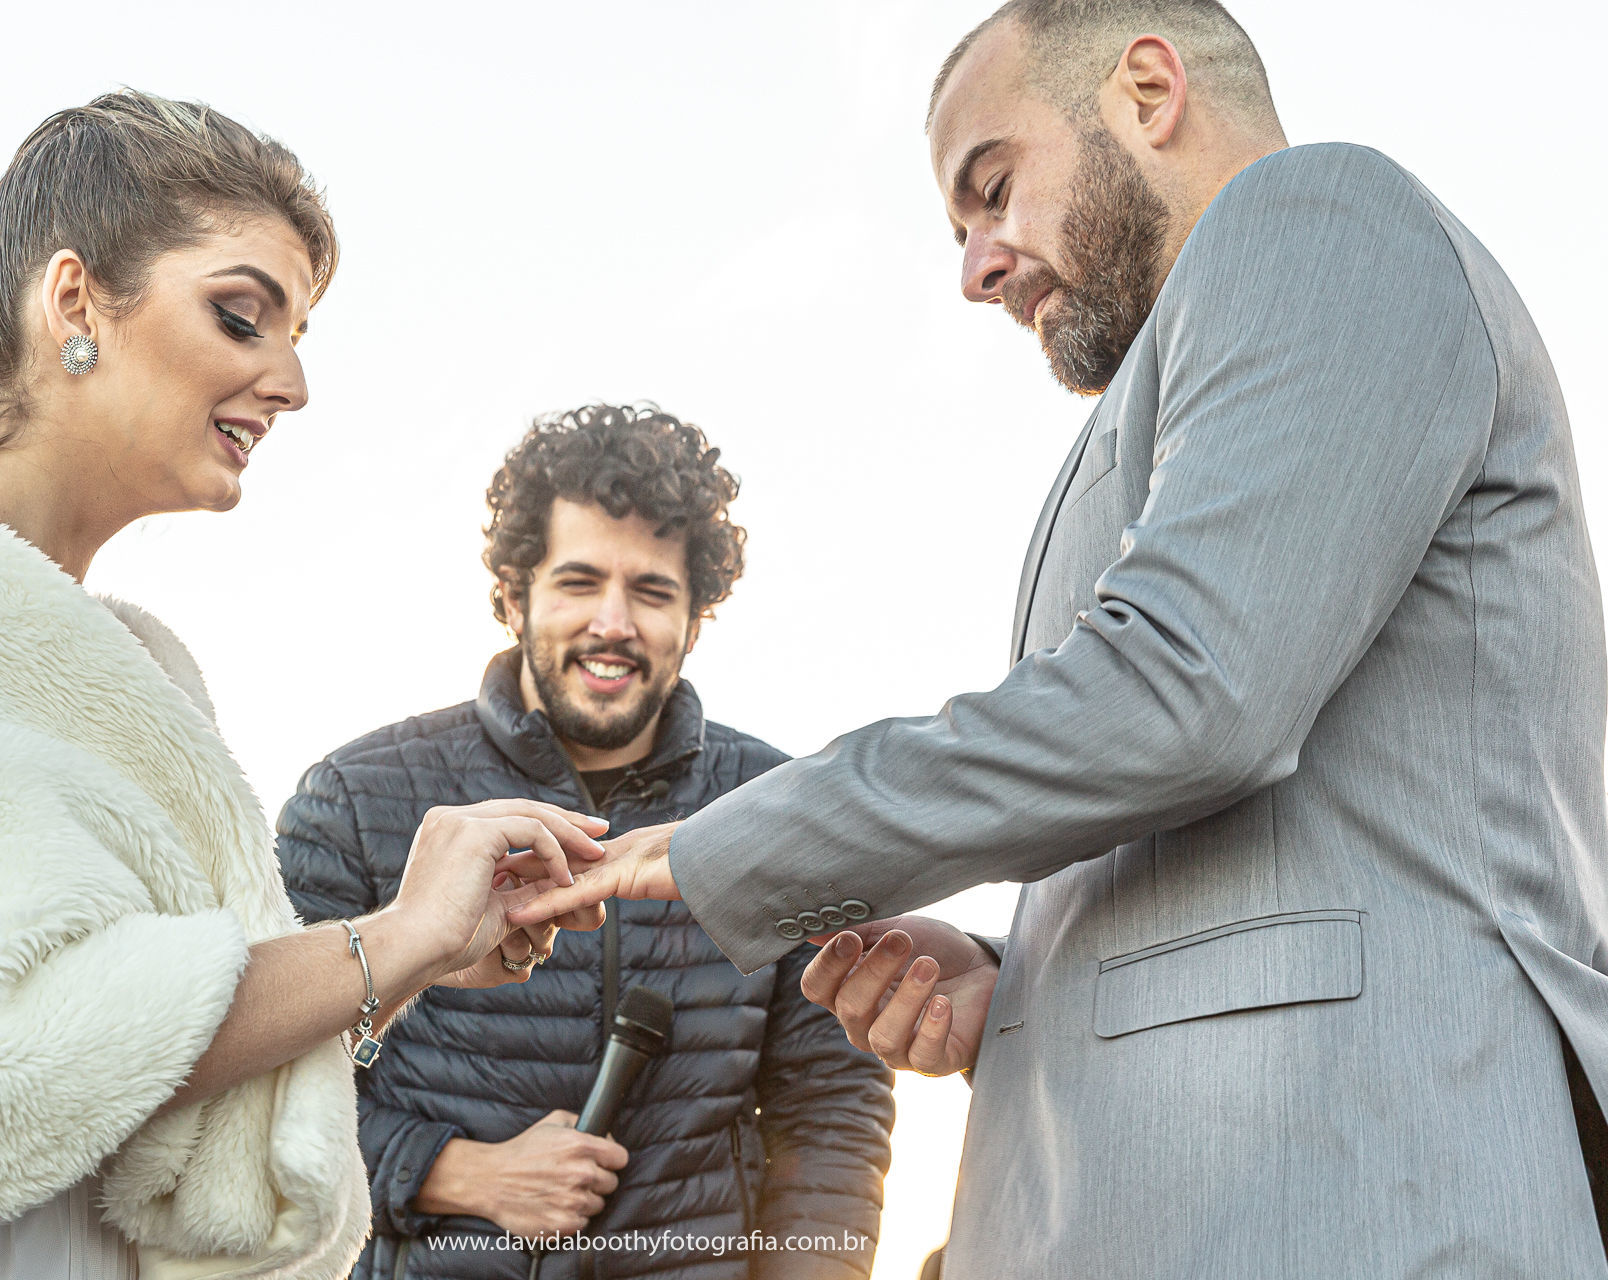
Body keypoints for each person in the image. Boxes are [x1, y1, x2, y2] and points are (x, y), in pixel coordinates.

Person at [508, 2, 1608, 1276]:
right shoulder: (1174, 381)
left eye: (992, 189)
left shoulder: (1322, 217)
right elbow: (1199, 818)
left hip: (1364, 1207)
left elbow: (1185, 693)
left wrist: (731, 839)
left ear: (1148, 89)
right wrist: (1018, 987)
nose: (976, 265)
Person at [0, 91, 601, 1280]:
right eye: (242, 316)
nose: (291, 384)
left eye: (298, 337)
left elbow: (140, 1060)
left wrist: (421, 953)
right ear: (74, 300)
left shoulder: (134, 666)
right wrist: (393, 931)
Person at [276, 404, 894, 1280]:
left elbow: (833, 1104)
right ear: (512, 594)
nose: (614, 622)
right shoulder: (355, 796)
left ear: (697, 615)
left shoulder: (777, 809)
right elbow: (268, 1086)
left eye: (652, 590)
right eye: (577, 582)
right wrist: (458, 1173)